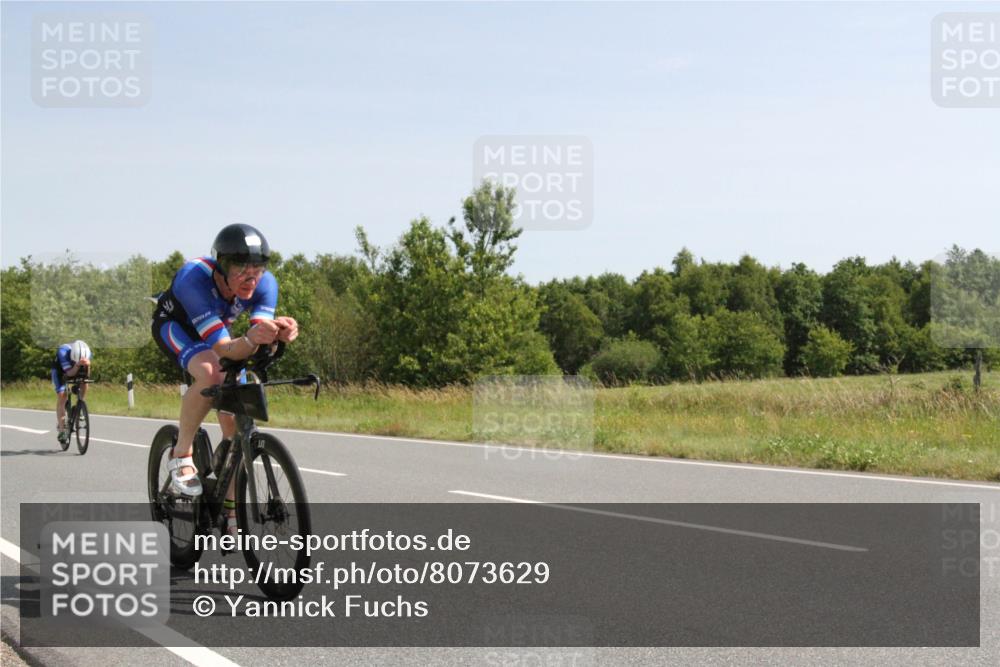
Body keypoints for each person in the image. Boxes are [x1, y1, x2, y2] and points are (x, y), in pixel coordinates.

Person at [151, 224, 298, 529]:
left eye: (257, 268)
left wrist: (277, 335)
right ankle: (181, 454)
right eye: (240, 268)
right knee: (211, 373)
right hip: (176, 327)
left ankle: (230, 512)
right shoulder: (193, 278)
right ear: (222, 266)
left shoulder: (266, 284)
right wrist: (252, 338)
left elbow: (256, 339)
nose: (250, 277)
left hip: (217, 332)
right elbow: (223, 349)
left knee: (235, 421)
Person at [53, 340, 92, 445]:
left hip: (74, 368)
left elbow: (87, 375)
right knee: (62, 396)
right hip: (60, 371)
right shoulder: (63, 352)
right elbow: (69, 373)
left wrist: (88, 366)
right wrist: (78, 365)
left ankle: (81, 405)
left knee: (85, 381)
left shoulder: (87, 352)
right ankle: (62, 431)